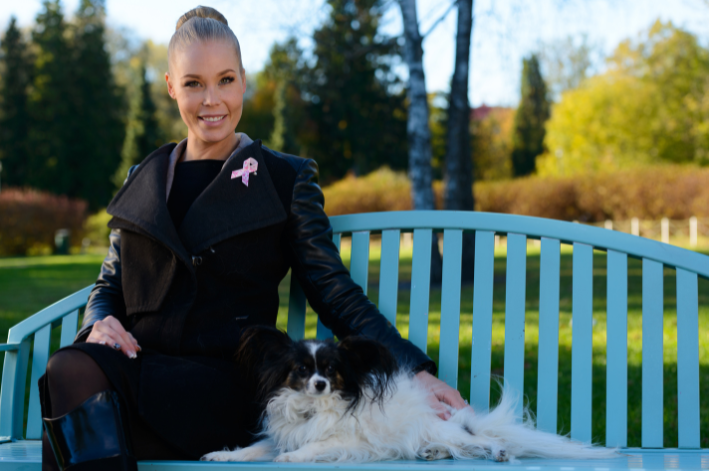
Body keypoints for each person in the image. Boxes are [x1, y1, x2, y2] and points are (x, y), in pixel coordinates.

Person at [39, 6, 468, 471]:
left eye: (225, 80)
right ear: (170, 86)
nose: (211, 100)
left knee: (76, 399)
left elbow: (334, 292)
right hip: (140, 369)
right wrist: (97, 323)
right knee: (75, 382)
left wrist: (415, 369)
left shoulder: (284, 178)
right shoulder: (143, 177)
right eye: (193, 83)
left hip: (226, 385)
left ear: (243, 80)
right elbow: (110, 285)